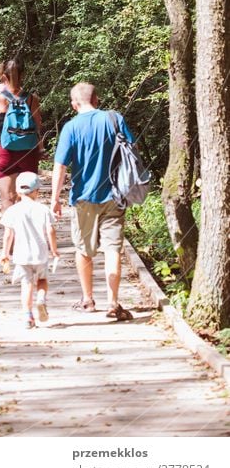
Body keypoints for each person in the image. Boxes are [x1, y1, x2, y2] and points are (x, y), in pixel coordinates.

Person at [50, 81, 135, 321]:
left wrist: (54, 199)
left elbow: (61, 166)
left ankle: (87, 299)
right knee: (112, 249)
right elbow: (131, 150)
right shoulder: (114, 119)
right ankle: (113, 302)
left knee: (83, 250)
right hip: (114, 195)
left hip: (83, 198)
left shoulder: (71, 127)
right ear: (96, 100)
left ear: (74, 104)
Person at [0, 171, 59, 329]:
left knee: (26, 285)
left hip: (21, 256)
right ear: (37, 191)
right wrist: (54, 250)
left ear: (17, 191)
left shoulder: (12, 210)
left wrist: (5, 253)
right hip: (40, 254)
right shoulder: (43, 209)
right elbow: (51, 231)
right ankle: (41, 298)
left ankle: (28, 316)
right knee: (42, 280)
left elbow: (8, 235)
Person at [0, 57, 44, 211]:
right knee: (27, 199)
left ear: (3, 76)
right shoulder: (31, 99)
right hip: (28, 151)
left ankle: (10, 235)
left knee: (7, 200)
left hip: (3, 151)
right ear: (22, 75)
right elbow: (38, 126)